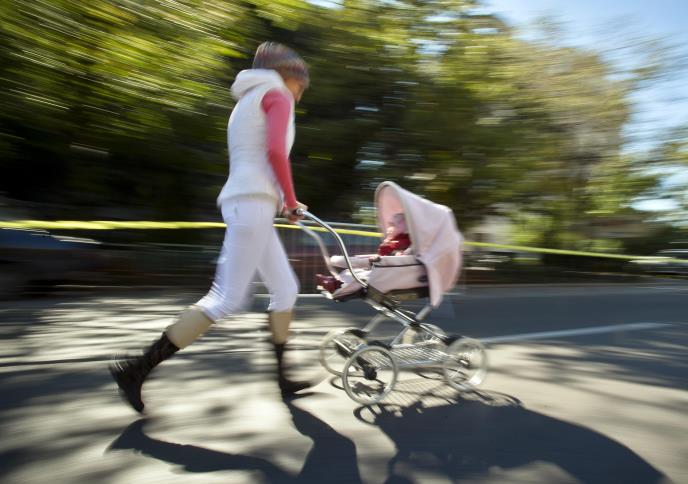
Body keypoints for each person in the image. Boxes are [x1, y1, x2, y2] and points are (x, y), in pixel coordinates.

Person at [110, 42, 313, 413]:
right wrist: (291, 199)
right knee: (226, 299)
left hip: (250, 203)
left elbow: (259, 154)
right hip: (253, 203)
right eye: (301, 85)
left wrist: (282, 201)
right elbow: (274, 152)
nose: (300, 94)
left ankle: (282, 377)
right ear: (289, 76)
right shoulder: (277, 95)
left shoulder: (246, 101)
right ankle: (136, 370)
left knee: (285, 288)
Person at [317, 213, 412, 295]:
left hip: (386, 273)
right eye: (389, 225)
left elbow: (397, 256)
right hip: (381, 268)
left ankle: (336, 285)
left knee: (362, 276)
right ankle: (335, 281)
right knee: (353, 271)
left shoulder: (402, 243)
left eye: (393, 225)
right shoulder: (395, 241)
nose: (389, 229)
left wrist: (395, 254)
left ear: (406, 230)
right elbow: (385, 254)